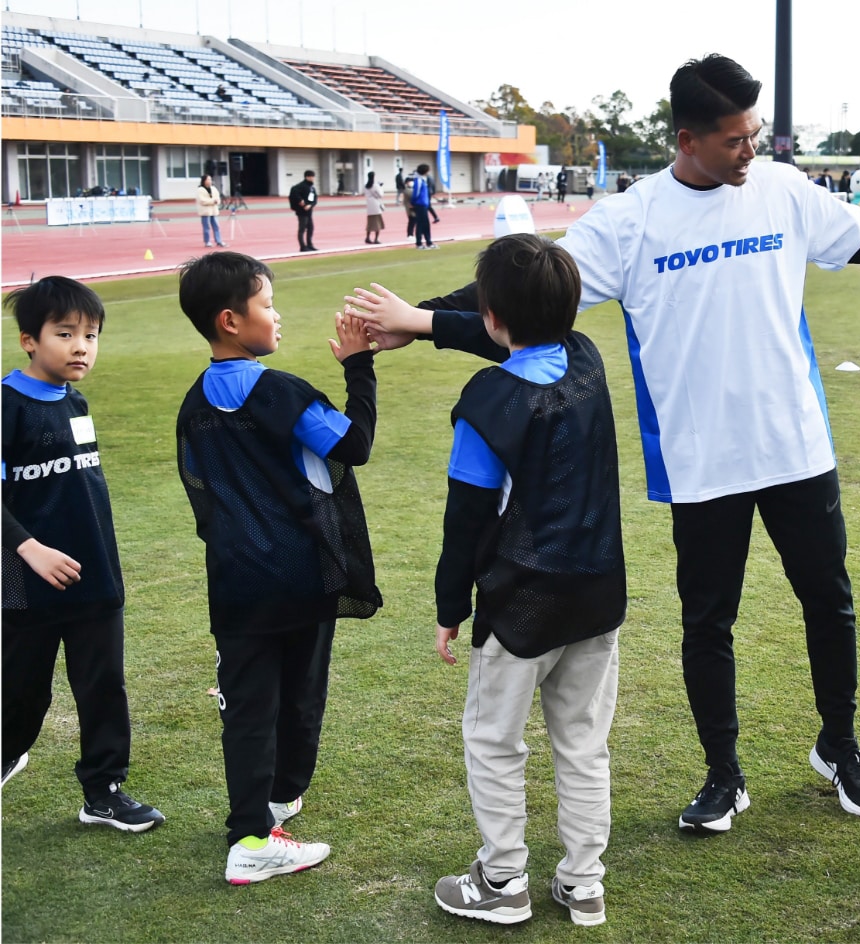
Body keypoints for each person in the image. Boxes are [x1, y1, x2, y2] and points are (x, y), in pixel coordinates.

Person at [346, 53, 860, 834]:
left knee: (829, 601)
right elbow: (521, 297)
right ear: (687, 140)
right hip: (700, 461)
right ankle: (723, 774)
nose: (751, 150)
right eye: (735, 140)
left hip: (796, 446)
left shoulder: (783, 190)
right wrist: (419, 321)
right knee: (708, 622)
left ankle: (841, 747)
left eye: (755, 134)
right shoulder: (630, 221)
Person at [427, 235, 625, 928]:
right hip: (596, 595)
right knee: (582, 741)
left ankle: (503, 879)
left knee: (493, 741)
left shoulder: (489, 401)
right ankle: (584, 882)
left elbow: (466, 519)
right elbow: (528, 347)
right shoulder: (586, 357)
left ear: (490, 317)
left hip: (521, 605)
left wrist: (449, 606)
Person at [175, 251, 382, 883]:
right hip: (300, 577)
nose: (277, 314)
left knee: (247, 707)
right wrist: (359, 366)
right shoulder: (280, 392)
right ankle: (266, 819)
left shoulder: (192, 405)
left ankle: (257, 822)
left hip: (236, 582)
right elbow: (354, 445)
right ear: (230, 320)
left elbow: (201, 493)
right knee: (300, 697)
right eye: (267, 304)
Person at [1, 277, 165, 832]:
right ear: (29, 340)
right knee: (22, 694)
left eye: (91, 335)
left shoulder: (76, 400)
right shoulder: (6, 405)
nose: (81, 347)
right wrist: (31, 550)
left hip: (94, 576)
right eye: (65, 333)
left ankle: (104, 791)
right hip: (28, 582)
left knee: (103, 687)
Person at [288, 170, 317, 252]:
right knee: (302, 228)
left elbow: (314, 199)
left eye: (313, 177)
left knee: (310, 228)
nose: (313, 178)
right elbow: (294, 195)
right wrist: (301, 202)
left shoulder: (312, 188)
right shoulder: (299, 186)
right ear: (307, 177)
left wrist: (310, 205)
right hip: (301, 211)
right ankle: (302, 246)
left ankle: (310, 244)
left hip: (309, 211)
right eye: (311, 177)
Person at [408, 164, 435, 250]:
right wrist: (413, 202)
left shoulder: (423, 179)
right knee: (420, 224)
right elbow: (416, 193)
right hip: (420, 204)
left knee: (426, 224)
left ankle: (428, 242)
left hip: (424, 204)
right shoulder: (419, 180)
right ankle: (419, 243)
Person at [197, 174, 225, 248]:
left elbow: (217, 198)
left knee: (216, 226)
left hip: (214, 211)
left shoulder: (213, 189)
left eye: (210, 179)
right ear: (204, 181)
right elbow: (202, 201)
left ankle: (218, 241)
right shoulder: (200, 190)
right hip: (205, 212)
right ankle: (207, 241)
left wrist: (217, 201)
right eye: (208, 179)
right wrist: (212, 201)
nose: (209, 181)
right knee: (206, 227)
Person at [363, 172, 385, 245]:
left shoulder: (366, 186)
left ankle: (367, 237)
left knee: (370, 224)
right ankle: (376, 239)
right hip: (376, 205)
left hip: (369, 206)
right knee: (377, 224)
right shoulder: (375, 185)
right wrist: (381, 187)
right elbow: (381, 195)